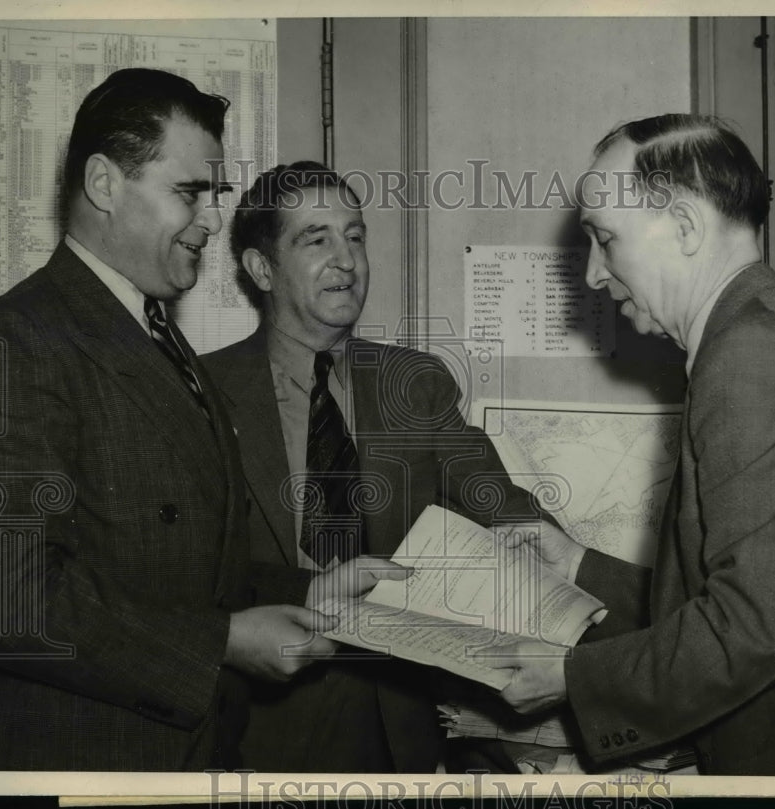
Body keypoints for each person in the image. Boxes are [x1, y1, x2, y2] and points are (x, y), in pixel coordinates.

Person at [0, 69, 402, 771]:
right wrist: (222, 643)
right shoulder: (4, 345)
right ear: (104, 184)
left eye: (212, 195)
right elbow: (3, 598)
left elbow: (181, 570)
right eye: (189, 193)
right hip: (69, 764)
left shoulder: (157, 337)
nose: (210, 220)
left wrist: (307, 590)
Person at [483, 113, 775, 777]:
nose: (595, 275)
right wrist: (577, 564)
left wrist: (574, 675)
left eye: (606, 240)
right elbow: (749, 587)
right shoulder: (766, 332)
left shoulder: (754, 357)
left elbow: (758, 624)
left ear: (685, 227)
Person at [201, 161, 566, 772]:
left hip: (403, 725)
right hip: (256, 728)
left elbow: (504, 513)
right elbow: (191, 573)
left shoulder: (413, 382)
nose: (346, 260)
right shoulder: (203, 393)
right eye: (316, 239)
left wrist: (586, 597)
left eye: (356, 235)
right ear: (262, 268)